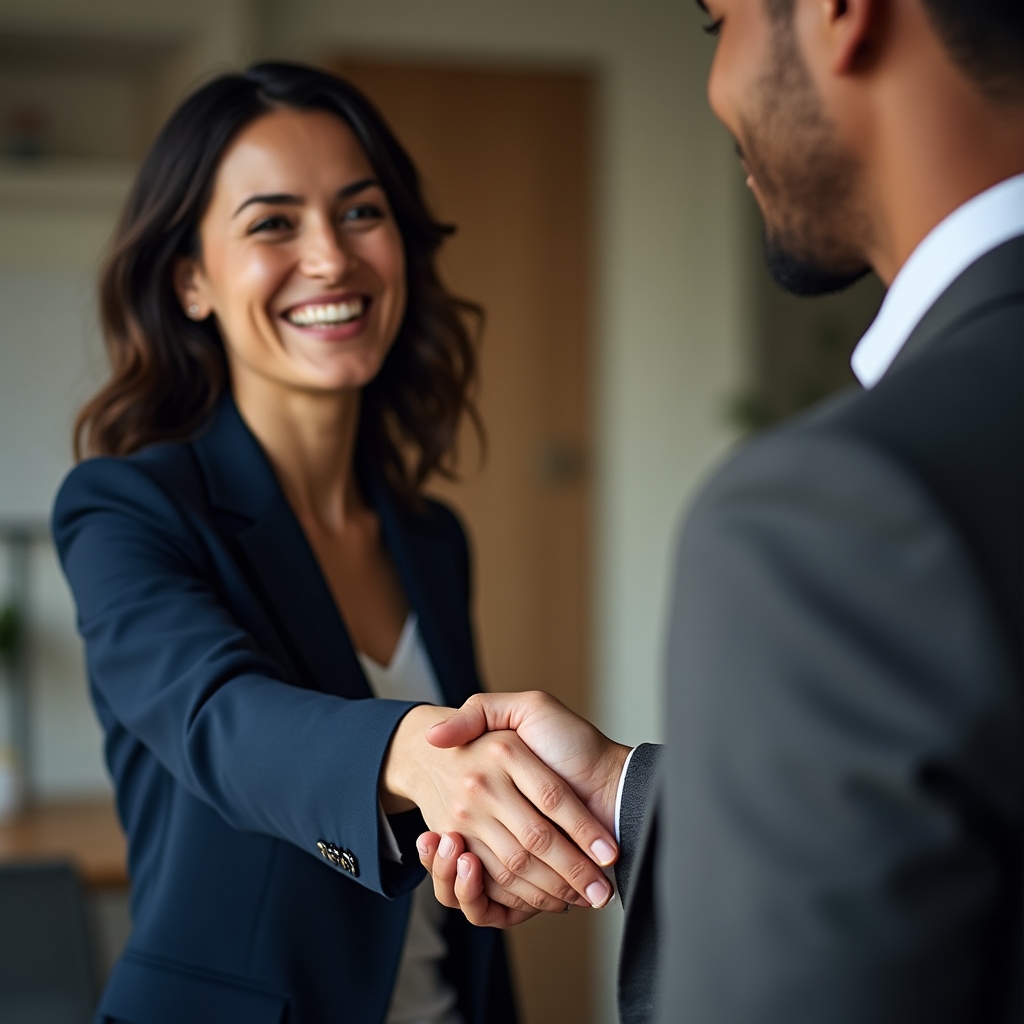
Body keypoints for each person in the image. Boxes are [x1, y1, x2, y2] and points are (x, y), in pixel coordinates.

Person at [416, 0, 1024, 1021]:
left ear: (840, 13)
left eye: (716, 27)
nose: (716, 90)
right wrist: (617, 788)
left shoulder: (837, 512)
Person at [52, 62, 621, 1024]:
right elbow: (219, 718)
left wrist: (492, 841)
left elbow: (433, 828)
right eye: (273, 223)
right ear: (191, 279)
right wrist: (416, 756)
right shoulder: (125, 507)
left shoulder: (432, 537)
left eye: (361, 213)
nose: (331, 258)